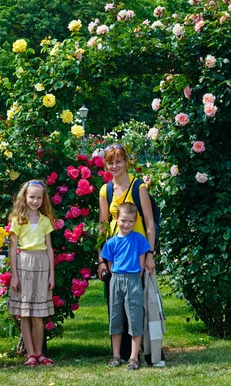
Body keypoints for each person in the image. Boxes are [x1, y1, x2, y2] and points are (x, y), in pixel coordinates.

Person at [97, 143, 160, 362]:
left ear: (126, 162)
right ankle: (119, 353)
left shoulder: (138, 187)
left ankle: (142, 351)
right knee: (115, 306)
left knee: (138, 305)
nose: (115, 166)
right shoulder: (105, 190)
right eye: (110, 162)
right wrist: (101, 260)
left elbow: (150, 224)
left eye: (118, 161)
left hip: (137, 256)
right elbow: (103, 226)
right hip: (115, 257)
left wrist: (150, 254)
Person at [8, 179, 55, 367]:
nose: (35, 201)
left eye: (38, 198)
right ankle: (30, 354)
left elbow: (50, 248)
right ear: (25, 197)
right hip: (24, 264)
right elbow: (12, 249)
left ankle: (39, 353)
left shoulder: (45, 221)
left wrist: (52, 274)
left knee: (38, 314)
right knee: (25, 313)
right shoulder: (18, 220)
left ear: (43, 199)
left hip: (42, 264)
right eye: (31, 197)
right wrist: (14, 275)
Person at [102, 202, 151, 369]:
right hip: (116, 280)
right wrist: (116, 275)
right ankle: (116, 356)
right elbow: (109, 263)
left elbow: (142, 262)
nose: (127, 224)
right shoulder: (111, 242)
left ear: (135, 220)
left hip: (134, 280)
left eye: (130, 221)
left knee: (135, 318)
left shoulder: (139, 239)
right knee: (115, 318)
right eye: (123, 220)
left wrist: (135, 279)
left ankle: (133, 357)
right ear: (116, 219)